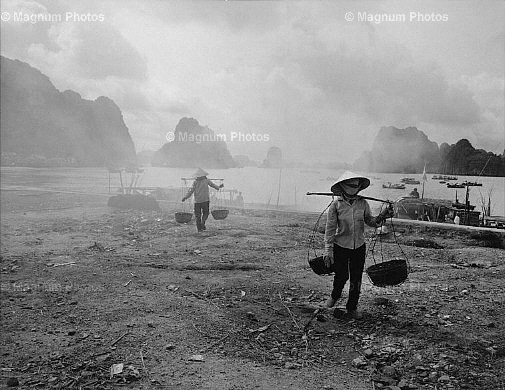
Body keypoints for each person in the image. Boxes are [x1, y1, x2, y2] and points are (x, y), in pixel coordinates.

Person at [324, 171, 394, 319]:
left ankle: (352, 307)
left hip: (359, 246)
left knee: (356, 278)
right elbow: (330, 229)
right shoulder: (335, 206)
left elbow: (371, 222)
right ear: (343, 187)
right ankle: (334, 296)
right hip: (340, 245)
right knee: (341, 276)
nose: (354, 188)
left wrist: (383, 215)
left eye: (356, 186)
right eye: (351, 185)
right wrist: (328, 250)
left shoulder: (363, 203)